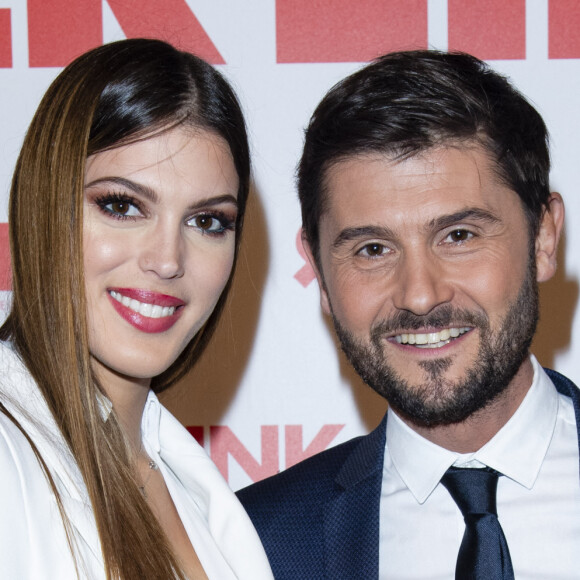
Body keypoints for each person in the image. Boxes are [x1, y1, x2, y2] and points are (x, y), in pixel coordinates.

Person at [237, 50, 577, 579]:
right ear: (318, 270)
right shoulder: (252, 543)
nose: (419, 296)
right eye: (373, 249)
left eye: (459, 236)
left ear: (544, 238)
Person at [0, 38, 273, 579]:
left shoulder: (191, 490)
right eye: (121, 206)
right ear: (44, 204)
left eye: (207, 221)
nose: (167, 260)